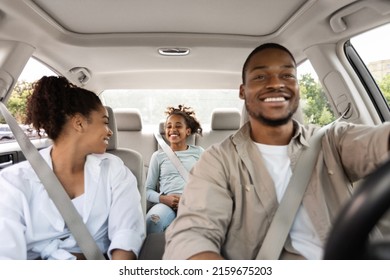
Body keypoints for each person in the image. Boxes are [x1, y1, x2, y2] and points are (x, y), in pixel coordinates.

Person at [163, 43, 390, 260]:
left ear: (298, 87)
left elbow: (378, 141)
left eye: (287, 75)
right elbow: (192, 233)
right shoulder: (217, 160)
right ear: (242, 91)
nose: (275, 83)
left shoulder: (333, 140)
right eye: (260, 76)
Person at [0, 76, 145, 260]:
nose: (110, 131)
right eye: (105, 121)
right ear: (79, 123)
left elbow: (127, 234)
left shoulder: (114, 169)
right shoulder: (13, 182)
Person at [145, 105, 204, 234]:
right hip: (166, 204)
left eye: (178, 126)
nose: (173, 129)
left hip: (193, 204)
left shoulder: (199, 153)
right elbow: (147, 190)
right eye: (169, 126)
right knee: (153, 221)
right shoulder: (158, 156)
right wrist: (164, 199)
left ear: (188, 131)